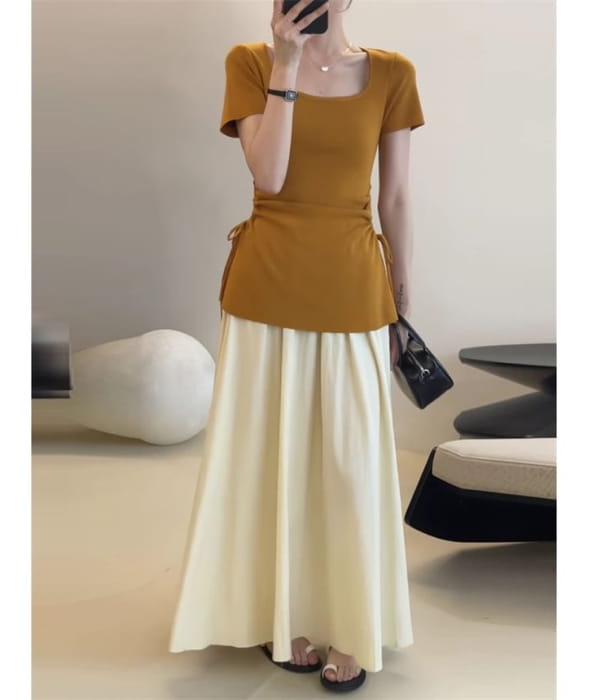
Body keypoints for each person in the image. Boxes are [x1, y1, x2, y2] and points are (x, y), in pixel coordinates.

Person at [169, 0, 425, 693]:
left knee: (350, 467)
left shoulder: (393, 74)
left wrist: (401, 302)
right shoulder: (251, 63)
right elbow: (270, 176)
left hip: (354, 289)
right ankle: (276, 618)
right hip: (266, 290)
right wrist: (285, 64)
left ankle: (355, 623)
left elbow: (396, 198)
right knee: (267, 463)